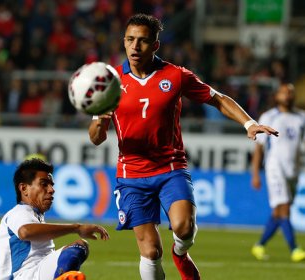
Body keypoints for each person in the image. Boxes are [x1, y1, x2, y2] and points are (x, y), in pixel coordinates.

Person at [88, 13, 278, 280]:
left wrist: (249, 123)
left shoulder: (175, 76)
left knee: (184, 227)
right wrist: (100, 120)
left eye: (142, 41)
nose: (135, 47)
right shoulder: (111, 82)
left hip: (170, 167)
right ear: (123, 41)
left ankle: (180, 253)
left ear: (155, 45)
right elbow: (96, 137)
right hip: (132, 174)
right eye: (130, 40)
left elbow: (217, 99)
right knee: (151, 251)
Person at [0, 158, 109, 280]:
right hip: (23, 276)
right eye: (44, 184)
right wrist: (77, 228)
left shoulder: (34, 216)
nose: (51, 190)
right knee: (79, 246)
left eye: (51, 185)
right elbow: (25, 232)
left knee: (78, 248)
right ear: (24, 188)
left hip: (35, 273)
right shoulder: (19, 212)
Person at [251, 83, 305, 262]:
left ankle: (259, 245)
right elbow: (259, 148)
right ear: (277, 96)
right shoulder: (269, 116)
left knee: (279, 211)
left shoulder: (301, 117)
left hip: (294, 169)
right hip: (275, 167)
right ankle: (295, 249)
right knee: (284, 209)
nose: (288, 95)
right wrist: (255, 173)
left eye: (290, 92)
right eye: (284, 92)